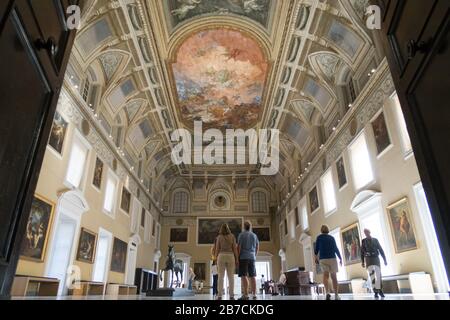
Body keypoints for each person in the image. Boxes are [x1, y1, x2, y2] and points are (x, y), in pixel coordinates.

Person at [314, 225, 343, 300]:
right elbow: (336, 248)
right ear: (328, 230)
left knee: (325, 275)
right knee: (334, 277)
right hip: (332, 258)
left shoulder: (319, 237)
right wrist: (340, 258)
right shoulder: (332, 238)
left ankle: (327, 292)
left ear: (321, 230)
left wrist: (316, 257)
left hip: (323, 259)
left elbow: (316, 249)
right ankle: (336, 295)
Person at [214, 223, 238, 300]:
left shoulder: (219, 237)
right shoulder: (232, 236)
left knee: (220, 276)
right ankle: (231, 295)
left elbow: (217, 249)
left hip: (221, 256)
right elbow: (235, 249)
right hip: (231, 256)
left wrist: (215, 258)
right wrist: (237, 259)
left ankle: (219, 295)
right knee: (231, 277)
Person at [361, 228, 387, 298]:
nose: (366, 233)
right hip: (368, 259)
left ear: (369, 232)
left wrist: (385, 259)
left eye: (367, 232)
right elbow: (362, 252)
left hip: (376, 258)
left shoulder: (375, 240)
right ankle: (375, 292)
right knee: (372, 276)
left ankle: (380, 290)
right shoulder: (363, 241)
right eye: (364, 232)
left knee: (378, 275)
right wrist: (363, 262)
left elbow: (381, 249)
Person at [237, 221, 259, 300]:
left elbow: (239, 247)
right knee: (253, 276)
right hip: (252, 257)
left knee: (244, 275)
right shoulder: (254, 235)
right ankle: (254, 294)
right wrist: (254, 255)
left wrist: (237, 257)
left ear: (244, 227)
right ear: (250, 227)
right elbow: (257, 247)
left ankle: (246, 295)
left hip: (243, 257)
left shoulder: (241, 235)